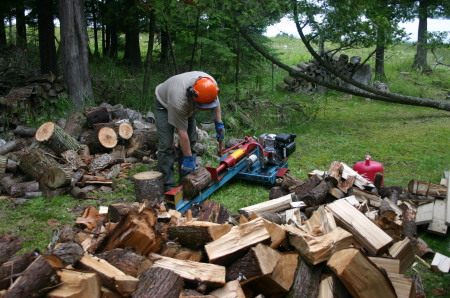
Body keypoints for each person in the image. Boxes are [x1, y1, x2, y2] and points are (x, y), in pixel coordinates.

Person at [154, 71, 225, 192]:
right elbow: (182, 132)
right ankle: (168, 186)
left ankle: (187, 180)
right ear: (193, 95)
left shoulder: (210, 85)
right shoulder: (179, 101)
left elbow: (216, 102)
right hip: (164, 104)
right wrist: (188, 159)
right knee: (166, 145)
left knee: (191, 141)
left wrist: (219, 123)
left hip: (189, 104)